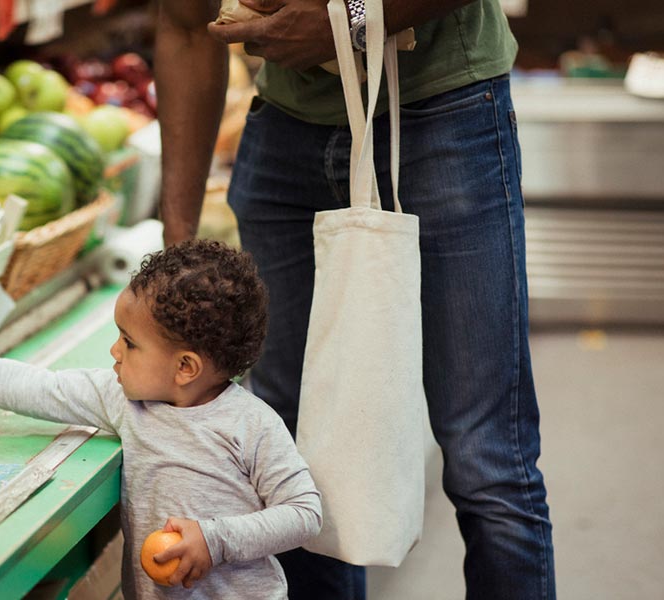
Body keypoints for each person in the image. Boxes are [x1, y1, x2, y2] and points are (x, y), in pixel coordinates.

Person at [153, 0, 556, 598]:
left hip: (444, 113)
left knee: (484, 458)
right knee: (294, 455)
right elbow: (185, 26)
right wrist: (176, 242)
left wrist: (354, 16)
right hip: (286, 134)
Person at [0, 239, 321, 598]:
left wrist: (214, 539)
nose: (114, 352)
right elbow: (33, 387)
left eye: (129, 343)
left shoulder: (253, 425)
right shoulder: (124, 399)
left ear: (185, 367)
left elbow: (304, 513)